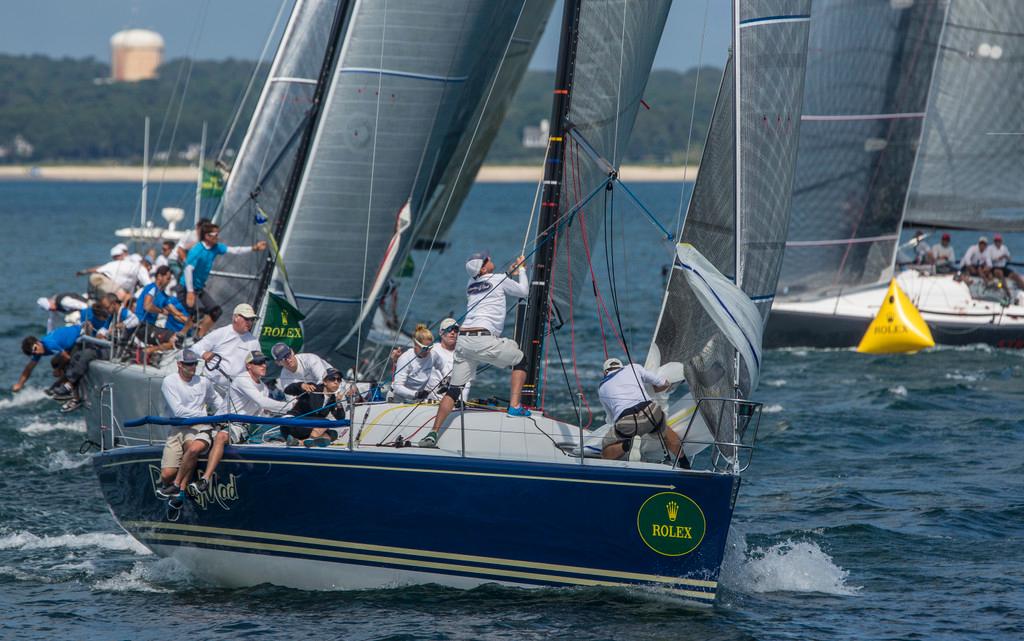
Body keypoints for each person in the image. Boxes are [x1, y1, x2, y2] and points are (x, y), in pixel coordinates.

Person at [419, 252, 529, 448]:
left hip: (464, 341)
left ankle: (433, 433)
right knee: (521, 360)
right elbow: (523, 291)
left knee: (454, 390)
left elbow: (492, 281)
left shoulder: (471, 283)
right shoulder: (498, 279)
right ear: (484, 268)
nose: (490, 258)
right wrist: (521, 270)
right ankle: (514, 406)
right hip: (483, 339)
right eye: (487, 259)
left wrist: (508, 272)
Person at [196, 351, 292, 491]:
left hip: (240, 425)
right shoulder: (242, 380)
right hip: (220, 423)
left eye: (264, 362)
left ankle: (211, 477)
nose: (263, 366)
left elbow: (262, 412)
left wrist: (290, 413)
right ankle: (193, 482)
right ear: (249, 366)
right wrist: (291, 406)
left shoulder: (263, 389)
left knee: (224, 436)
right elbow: (263, 403)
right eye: (259, 363)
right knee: (198, 445)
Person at [155, 350, 220, 504]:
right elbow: (178, 411)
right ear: (179, 364)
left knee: (192, 448)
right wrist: (204, 414)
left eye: (195, 363)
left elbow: (217, 401)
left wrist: (223, 415)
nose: (193, 367)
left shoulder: (204, 382)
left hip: (199, 427)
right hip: (177, 427)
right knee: (166, 474)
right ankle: (174, 488)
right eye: (189, 364)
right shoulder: (169, 381)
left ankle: (179, 490)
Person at [181, 222, 267, 337]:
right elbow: (188, 270)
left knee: (216, 311)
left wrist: (254, 248)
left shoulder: (215, 248)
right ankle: (182, 334)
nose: (217, 236)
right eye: (215, 234)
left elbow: (234, 250)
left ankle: (199, 336)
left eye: (218, 234)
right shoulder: (197, 250)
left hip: (199, 288)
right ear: (207, 236)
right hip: (186, 287)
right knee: (199, 312)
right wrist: (190, 292)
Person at [596, 357, 682, 464]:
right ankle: (684, 462)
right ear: (621, 366)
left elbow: (611, 419)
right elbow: (663, 383)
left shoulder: (602, 388)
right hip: (651, 412)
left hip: (627, 421)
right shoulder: (633, 367)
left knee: (606, 450)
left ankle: (627, 445)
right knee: (666, 432)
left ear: (605, 372)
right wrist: (663, 387)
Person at [190, 303, 261, 392]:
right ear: (235, 317)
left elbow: (257, 366)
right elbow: (195, 347)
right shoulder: (221, 333)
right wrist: (203, 353)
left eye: (252, 319)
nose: (250, 322)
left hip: (233, 390)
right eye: (247, 319)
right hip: (209, 384)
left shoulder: (254, 342)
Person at [282, 367, 346, 446]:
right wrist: (301, 385)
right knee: (325, 422)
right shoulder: (313, 388)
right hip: (292, 423)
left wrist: (338, 402)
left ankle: (300, 442)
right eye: (332, 379)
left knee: (333, 433)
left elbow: (341, 418)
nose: (336, 382)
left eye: (339, 380)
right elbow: (287, 390)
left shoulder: (332, 399)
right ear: (325, 381)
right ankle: (311, 440)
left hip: (307, 428)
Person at [135, 266, 189, 353]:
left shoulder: (164, 296)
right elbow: (147, 306)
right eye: (167, 278)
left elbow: (175, 313)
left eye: (170, 279)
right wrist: (161, 311)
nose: (169, 281)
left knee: (177, 339)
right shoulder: (151, 288)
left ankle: (149, 352)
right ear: (159, 276)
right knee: (174, 338)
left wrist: (190, 323)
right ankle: (147, 352)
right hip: (141, 326)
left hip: (150, 327)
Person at [14, 325, 81, 393]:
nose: (36, 352)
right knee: (54, 362)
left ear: (38, 342)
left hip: (79, 336)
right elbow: (29, 368)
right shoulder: (38, 350)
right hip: (69, 346)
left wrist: (58, 369)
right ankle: (62, 384)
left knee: (65, 365)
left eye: (35, 348)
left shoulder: (49, 344)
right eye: (33, 353)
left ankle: (70, 388)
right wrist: (19, 384)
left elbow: (67, 357)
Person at [77, 243, 151, 301]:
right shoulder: (139, 267)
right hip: (102, 279)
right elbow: (149, 286)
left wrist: (83, 272)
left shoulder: (121, 263)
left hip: (96, 278)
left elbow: (98, 269)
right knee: (125, 297)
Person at [391, 324, 446, 402]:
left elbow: (444, 367)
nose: (427, 351)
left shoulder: (433, 355)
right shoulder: (405, 358)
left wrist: (447, 379)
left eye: (430, 348)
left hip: (417, 401)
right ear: (415, 344)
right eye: (424, 348)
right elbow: (397, 387)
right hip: (399, 399)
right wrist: (416, 394)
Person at [426, 318, 466, 401]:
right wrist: (395, 361)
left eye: (456, 330)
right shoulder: (431, 351)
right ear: (441, 333)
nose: (452, 332)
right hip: (430, 403)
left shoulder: (464, 355)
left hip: (456, 404)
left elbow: (466, 384)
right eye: (449, 329)